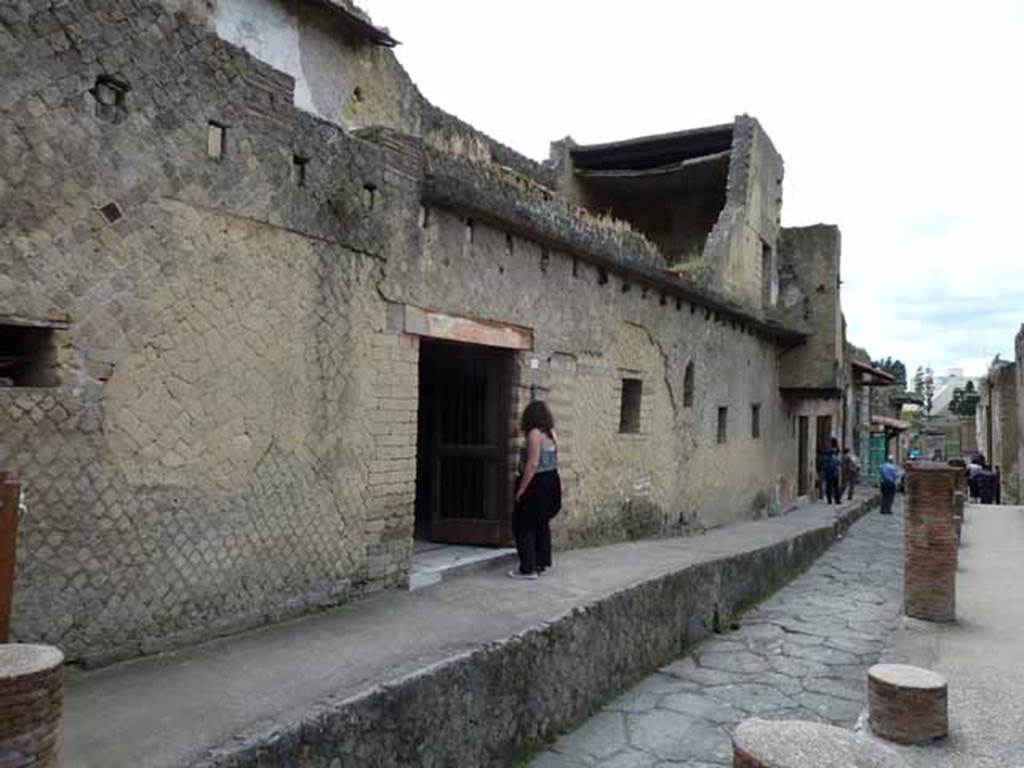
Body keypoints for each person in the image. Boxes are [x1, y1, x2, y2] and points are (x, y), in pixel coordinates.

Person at [510, 401, 562, 580]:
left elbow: (532, 463)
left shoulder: (534, 434)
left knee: (523, 525)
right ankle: (541, 562)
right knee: (541, 522)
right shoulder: (551, 434)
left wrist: (521, 488)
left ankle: (528, 568)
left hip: (537, 483)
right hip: (552, 479)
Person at [820, 439, 841, 504]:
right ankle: (836, 500)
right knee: (835, 487)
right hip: (833, 473)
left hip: (829, 473)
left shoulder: (826, 457)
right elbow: (837, 464)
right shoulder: (833, 457)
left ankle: (830, 500)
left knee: (830, 487)